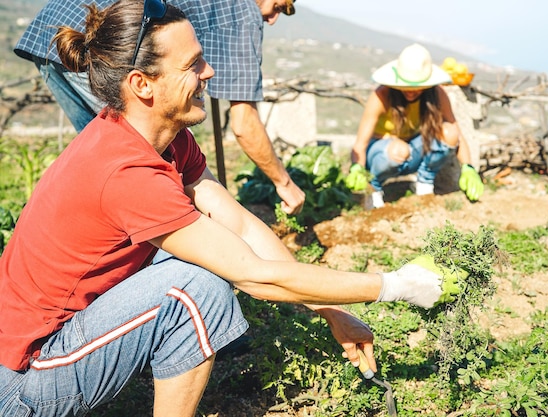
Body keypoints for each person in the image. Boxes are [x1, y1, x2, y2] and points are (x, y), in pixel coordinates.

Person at [0, 2, 461, 416]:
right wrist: (396, 286)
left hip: (47, 348)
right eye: (193, 63)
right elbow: (253, 275)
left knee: (199, 256)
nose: (210, 72)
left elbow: (238, 222)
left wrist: (332, 313)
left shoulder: (165, 140)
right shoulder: (127, 171)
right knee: (196, 287)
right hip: (24, 380)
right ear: (142, 84)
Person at [14, 0, 306, 215]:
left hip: (57, 27)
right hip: (100, 39)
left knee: (102, 157)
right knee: (142, 163)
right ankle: (173, 258)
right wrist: (284, 183)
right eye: (281, 6)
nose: (274, 18)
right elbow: (244, 124)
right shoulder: (244, 11)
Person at [346, 43, 484, 209]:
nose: (411, 91)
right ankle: (373, 189)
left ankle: (424, 184)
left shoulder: (437, 94)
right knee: (399, 149)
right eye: (406, 86)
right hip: (382, 154)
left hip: (414, 148)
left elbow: (457, 135)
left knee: (449, 132)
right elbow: (360, 144)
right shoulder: (381, 95)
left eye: (417, 87)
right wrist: (357, 167)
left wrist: (468, 168)